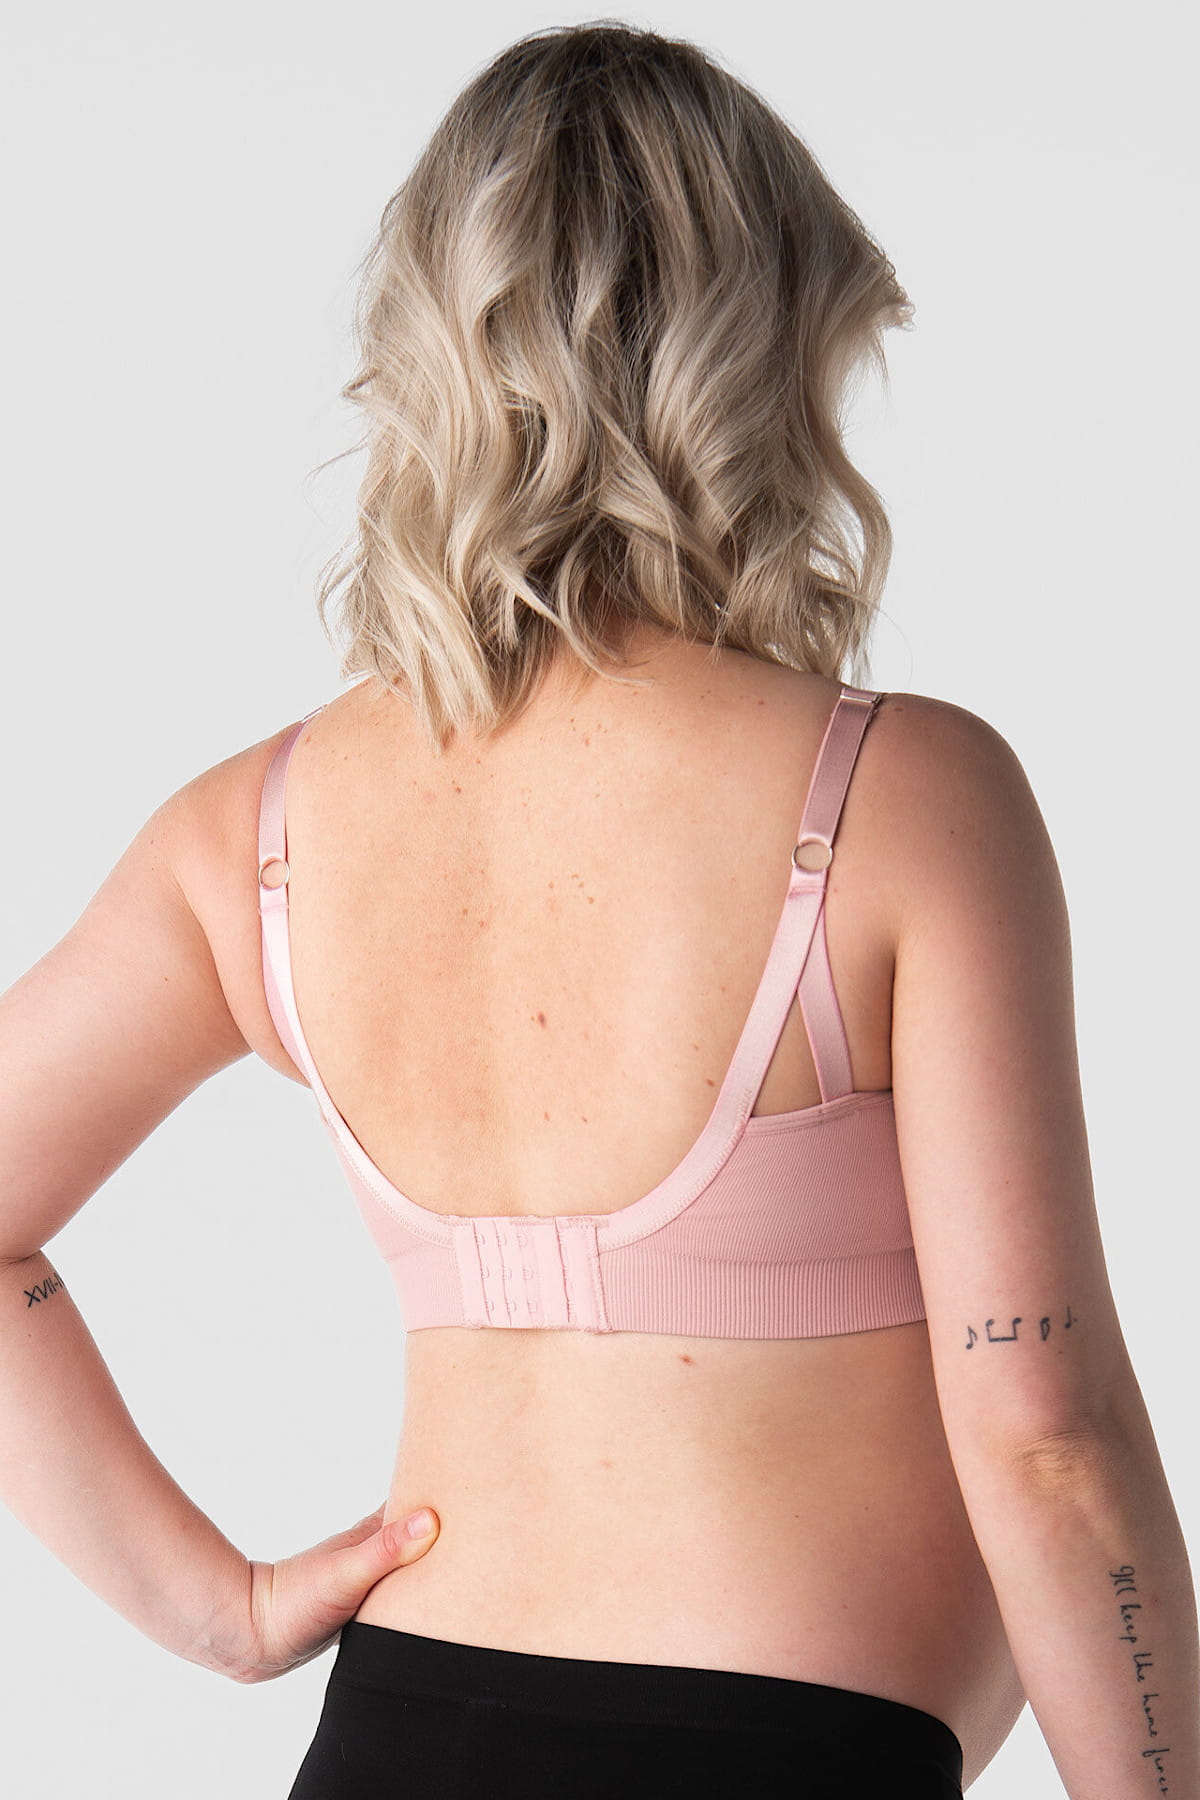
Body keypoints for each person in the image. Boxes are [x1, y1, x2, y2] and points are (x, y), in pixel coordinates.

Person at [0, 18, 1195, 1799]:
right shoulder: (901, 797)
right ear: (767, 360)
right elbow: (1047, 1438)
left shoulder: (252, 833)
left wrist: (219, 1615)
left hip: (395, 1741)